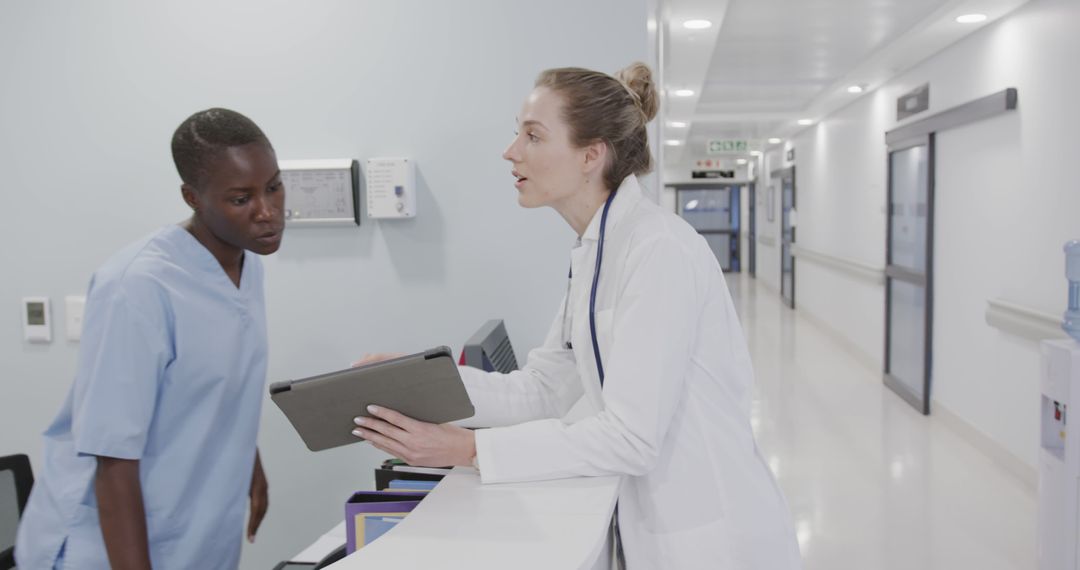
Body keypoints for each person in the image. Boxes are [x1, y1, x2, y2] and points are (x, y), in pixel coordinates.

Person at [349, 63, 802, 569]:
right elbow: (545, 388)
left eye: (533, 135)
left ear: (591, 155)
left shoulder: (658, 250)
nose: (511, 151)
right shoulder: (595, 251)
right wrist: (423, 382)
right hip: (655, 529)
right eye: (516, 132)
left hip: (714, 540)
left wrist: (469, 449)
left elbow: (631, 438)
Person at [16, 108, 284, 570]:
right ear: (192, 197)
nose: (267, 212)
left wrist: (248, 462)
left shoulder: (246, 265)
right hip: (106, 547)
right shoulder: (138, 286)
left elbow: (213, 382)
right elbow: (112, 457)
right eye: (241, 199)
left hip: (196, 527)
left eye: (274, 187)